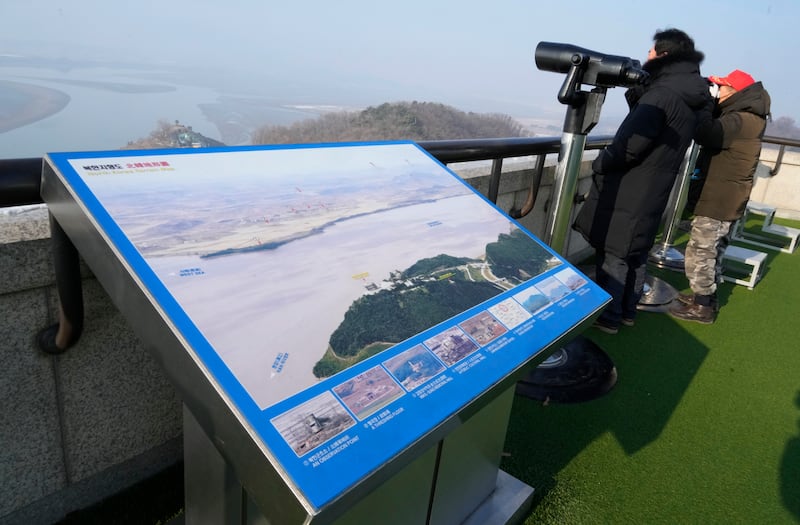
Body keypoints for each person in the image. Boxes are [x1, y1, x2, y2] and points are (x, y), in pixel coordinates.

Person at [573, 28, 712, 334]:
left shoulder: (663, 95)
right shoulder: (688, 97)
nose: (646, 57)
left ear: (664, 57)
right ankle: (626, 312)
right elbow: (651, 122)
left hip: (629, 189)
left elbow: (631, 145)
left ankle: (608, 318)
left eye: (651, 53)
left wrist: (601, 163)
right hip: (653, 189)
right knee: (635, 254)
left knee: (614, 254)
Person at [669, 69, 771, 323]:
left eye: (721, 87)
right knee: (713, 248)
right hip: (725, 196)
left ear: (735, 92)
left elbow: (705, 133)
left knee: (701, 250)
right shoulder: (745, 116)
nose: (717, 91)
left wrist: (705, 105)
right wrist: (711, 103)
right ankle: (705, 297)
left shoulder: (742, 120)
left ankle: (703, 307)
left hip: (719, 198)